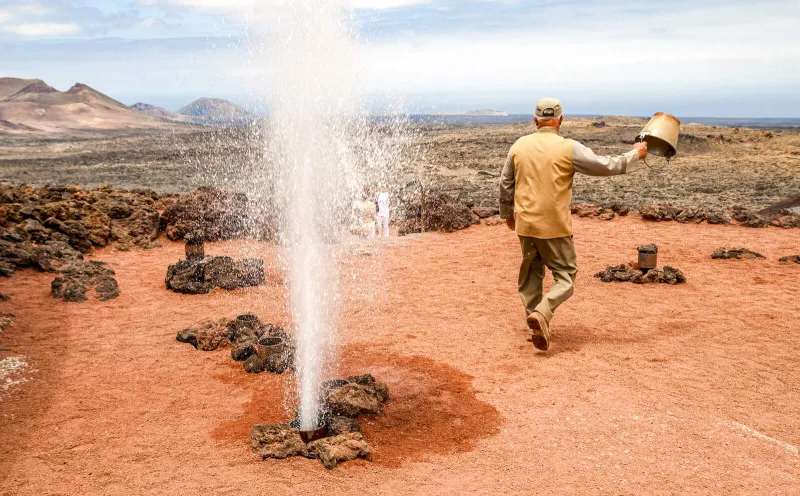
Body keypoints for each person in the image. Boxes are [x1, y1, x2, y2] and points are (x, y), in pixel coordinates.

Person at [499, 98, 648, 351]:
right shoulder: (569, 148)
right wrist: (635, 154)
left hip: (525, 224)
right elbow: (605, 165)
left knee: (530, 275)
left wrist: (507, 214)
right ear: (561, 120)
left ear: (535, 121)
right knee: (566, 276)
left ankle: (533, 321)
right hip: (554, 225)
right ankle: (543, 314)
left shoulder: (518, 145)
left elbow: (505, 183)